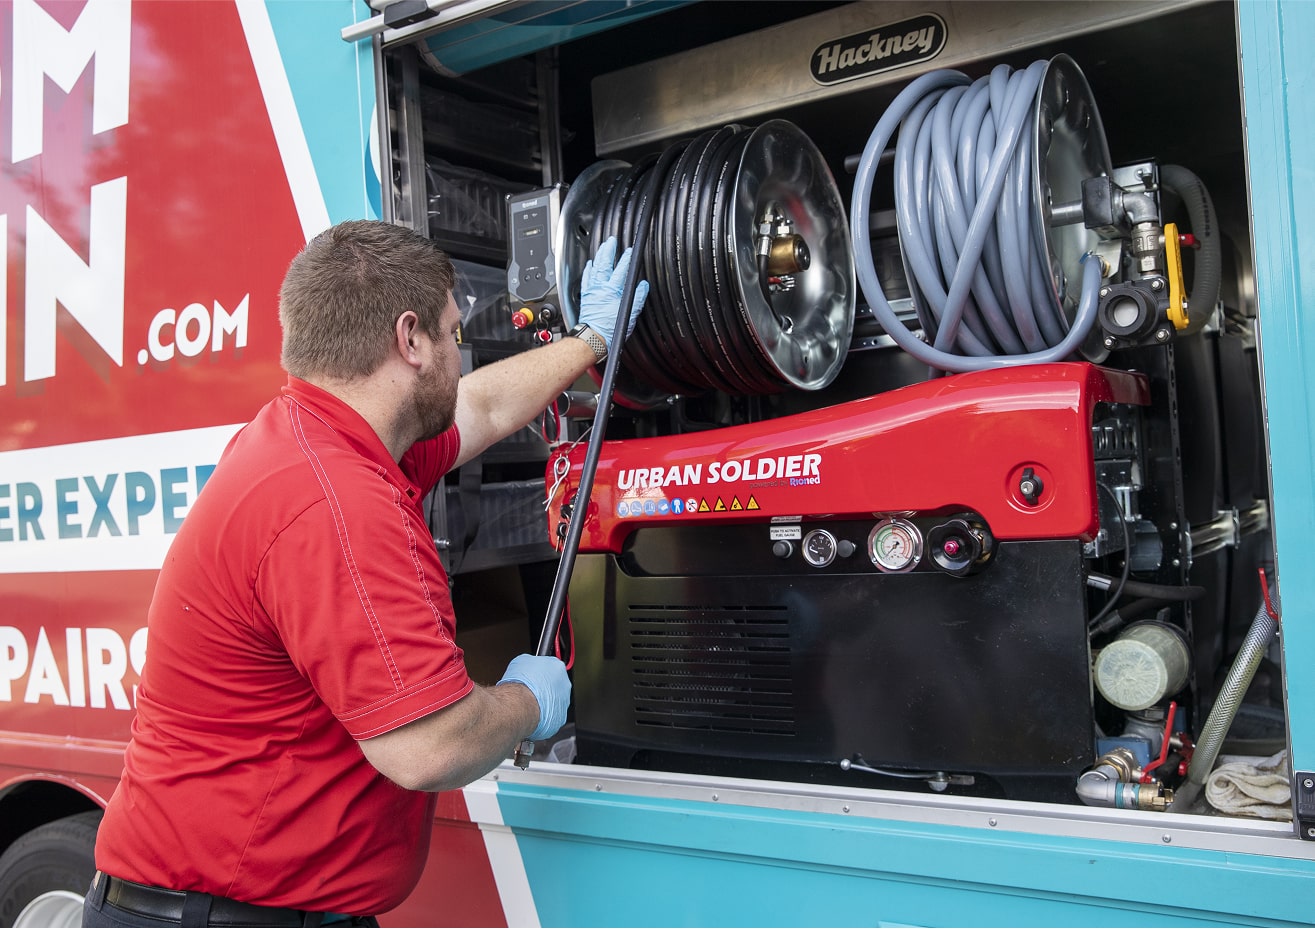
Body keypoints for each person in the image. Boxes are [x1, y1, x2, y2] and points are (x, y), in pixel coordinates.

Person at [83, 220, 649, 928]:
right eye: (450, 333)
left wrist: (591, 341)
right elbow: (428, 745)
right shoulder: (334, 500)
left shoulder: (317, 435)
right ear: (408, 340)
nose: (458, 350)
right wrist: (527, 702)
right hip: (225, 917)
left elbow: (480, 404)